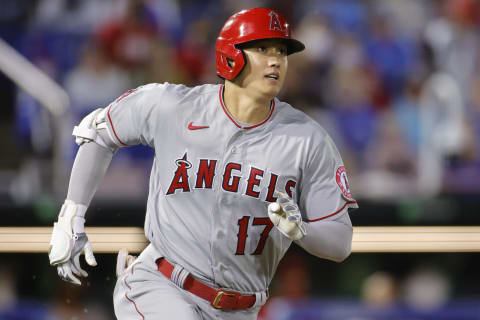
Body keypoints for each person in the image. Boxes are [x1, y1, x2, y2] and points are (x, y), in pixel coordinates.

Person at [48, 8, 358, 320]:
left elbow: (340, 241)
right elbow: (99, 131)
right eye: (262, 49)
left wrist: (301, 231)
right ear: (230, 54)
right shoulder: (175, 106)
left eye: (282, 51)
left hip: (242, 309)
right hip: (161, 285)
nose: (276, 60)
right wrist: (71, 217)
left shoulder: (307, 139)